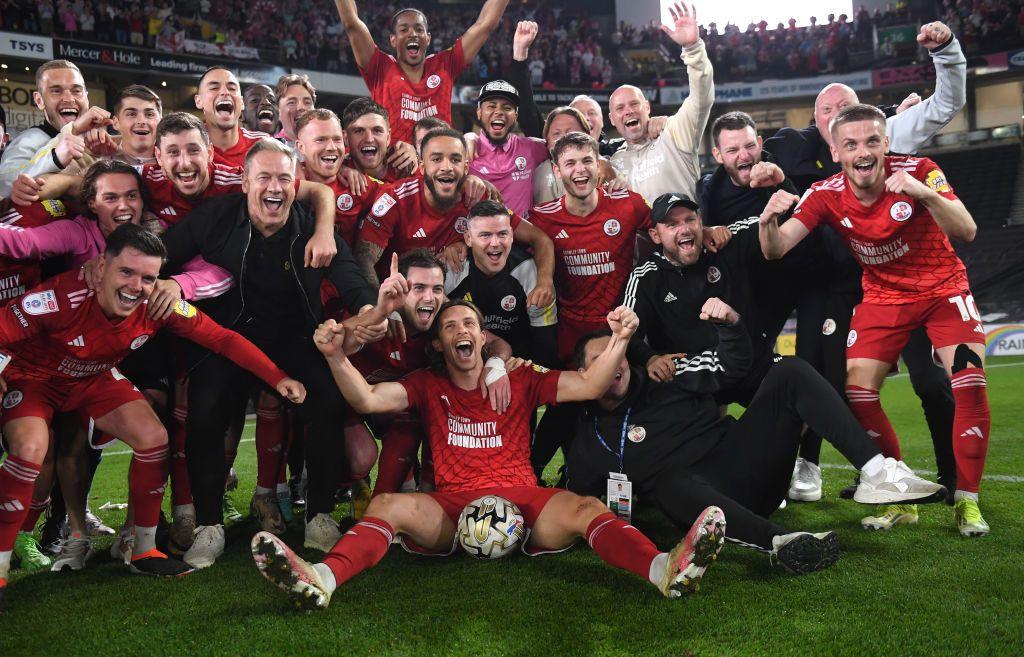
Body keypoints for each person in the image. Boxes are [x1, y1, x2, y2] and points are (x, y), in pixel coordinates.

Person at [251, 297, 730, 610]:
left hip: (523, 497)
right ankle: (321, 578)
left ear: (483, 338)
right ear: (439, 344)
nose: (463, 330)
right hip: (451, 505)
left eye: (471, 324)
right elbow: (369, 401)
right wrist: (335, 356)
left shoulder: (520, 376)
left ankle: (663, 569)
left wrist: (622, 338)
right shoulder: (426, 383)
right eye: (451, 326)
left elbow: (588, 383)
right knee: (386, 506)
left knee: (587, 508)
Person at [0, 223, 307, 612]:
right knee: (30, 448)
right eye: (126, 272)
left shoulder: (158, 303)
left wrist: (277, 377)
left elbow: (222, 339)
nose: (136, 286)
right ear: (99, 268)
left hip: (91, 378)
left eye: (148, 277)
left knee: (153, 438)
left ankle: (143, 552)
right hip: (35, 380)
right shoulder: (57, 298)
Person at [566, 300, 947, 569]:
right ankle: (782, 542)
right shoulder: (589, 436)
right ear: (584, 374)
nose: (611, 365)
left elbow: (734, 365)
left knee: (790, 373)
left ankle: (879, 472)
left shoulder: (667, 374)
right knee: (668, 483)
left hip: (748, 469)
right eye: (598, 361)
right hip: (697, 503)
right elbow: (579, 503)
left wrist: (730, 325)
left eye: (615, 354)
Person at [759, 104, 990, 537]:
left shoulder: (921, 169)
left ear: (885, 144)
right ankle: (897, 495)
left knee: (970, 382)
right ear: (836, 151)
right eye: (850, 144)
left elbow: (968, 230)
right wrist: (768, 220)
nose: (862, 151)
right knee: (857, 394)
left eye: (870, 141)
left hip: (943, 289)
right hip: (884, 297)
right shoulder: (825, 193)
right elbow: (775, 249)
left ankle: (967, 501)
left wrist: (925, 195)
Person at [763, 22, 967, 503]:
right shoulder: (805, 161)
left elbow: (944, 105)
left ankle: (951, 474)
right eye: (828, 112)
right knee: (848, 385)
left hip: (916, 281)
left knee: (932, 382)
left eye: (846, 107)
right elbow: (778, 233)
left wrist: (948, 53)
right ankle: (877, 474)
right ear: (824, 132)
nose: (841, 118)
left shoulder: (886, 136)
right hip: (852, 289)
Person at [160, 138, 378, 568]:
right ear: (244, 182)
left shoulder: (315, 226)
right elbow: (160, 254)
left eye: (283, 177)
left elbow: (351, 278)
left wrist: (372, 309)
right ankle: (208, 525)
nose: (274, 187)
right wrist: (161, 279)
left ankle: (318, 516)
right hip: (229, 338)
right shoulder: (215, 217)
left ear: (296, 184)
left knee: (328, 400)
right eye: (264, 177)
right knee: (204, 408)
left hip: (296, 339)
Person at [354, 127, 555, 294]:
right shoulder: (396, 198)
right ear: (422, 168)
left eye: (455, 159)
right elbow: (364, 259)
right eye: (437, 159)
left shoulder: (477, 198)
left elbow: (540, 239)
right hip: (396, 297)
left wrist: (544, 282)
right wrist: (381, 307)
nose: (447, 167)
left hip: (446, 300)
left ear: (466, 167)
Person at [335, 0, 510, 144]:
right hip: (393, 175)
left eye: (419, 29)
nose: (413, 33)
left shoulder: (444, 65)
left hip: (437, 173)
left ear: (428, 38)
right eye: (404, 30)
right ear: (393, 40)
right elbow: (351, 23)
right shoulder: (380, 66)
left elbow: (485, 25)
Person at [608, 3, 713, 204]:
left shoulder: (674, 133)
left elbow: (702, 98)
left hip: (688, 233)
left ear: (647, 107)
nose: (628, 111)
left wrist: (692, 49)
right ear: (612, 119)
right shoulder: (613, 163)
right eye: (620, 108)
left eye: (634, 104)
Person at [446, 200, 558, 366]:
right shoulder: (453, 270)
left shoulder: (530, 271)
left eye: (502, 234)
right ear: (468, 239)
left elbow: (545, 343)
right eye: (485, 235)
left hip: (519, 364)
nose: (495, 243)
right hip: (466, 366)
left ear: (512, 235)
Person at [0, 60, 113, 197]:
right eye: (56, 91)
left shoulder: (102, 141)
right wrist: (55, 157)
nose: (68, 98)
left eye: (76, 91)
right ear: (39, 100)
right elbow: (5, 188)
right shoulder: (28, 140)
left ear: (86, 97)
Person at [294, 108, 381, 247]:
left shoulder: (357, 184)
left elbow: (404, 196)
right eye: (320, 140)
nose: (331, 147)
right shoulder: (285, 181)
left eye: (337, 139)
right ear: (301, 147)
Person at [466, 80, 548, 217]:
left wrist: (597, 156)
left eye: (507, 107)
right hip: (476, 235)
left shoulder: (533, 148)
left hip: (523, 236)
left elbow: (567, 150)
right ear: (479, 112)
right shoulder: (463, 151)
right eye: (491, 106)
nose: (499, 112)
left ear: (516, 116)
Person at [194, 67, 270, 169]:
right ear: (198, 101)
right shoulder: (186, 146)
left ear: (242, 102)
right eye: (214, 88)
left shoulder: (264, 145)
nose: (225, 92)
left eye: (232, 88)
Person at [274, 74, 316, 148]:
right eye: (292, 102)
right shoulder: (269, 151)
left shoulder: (328, 147)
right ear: (278, 113)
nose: (301, 107)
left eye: (307, 102)